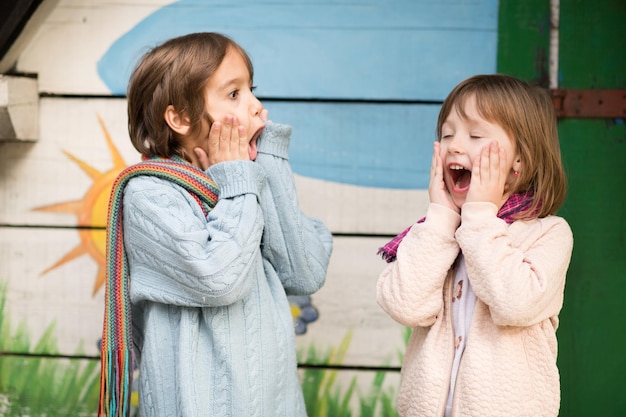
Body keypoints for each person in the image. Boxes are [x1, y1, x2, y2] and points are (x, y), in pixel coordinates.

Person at [98, 32, 333, 417]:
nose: (257, 106)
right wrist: (240, 180)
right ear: (179, 118)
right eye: (234, 94)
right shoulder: (150, 195)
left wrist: (267, 159)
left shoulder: (246, 183)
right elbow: (218, 278)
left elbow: (304, 272)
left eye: (252, 90)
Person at [376, 74, 573, 417]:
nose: (454, 145)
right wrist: (439, 217)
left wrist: (480, 217)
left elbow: (515, 304)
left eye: (475, 135)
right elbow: (405, 305)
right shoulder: (436, 232)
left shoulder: (549, 233)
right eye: (447, 134)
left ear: (519, 161)